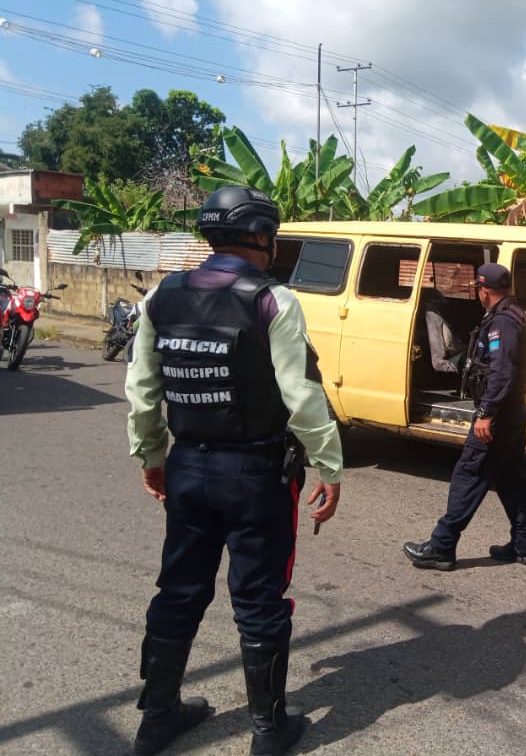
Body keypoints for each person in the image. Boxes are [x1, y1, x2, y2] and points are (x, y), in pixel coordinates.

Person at [125, 186, 343, 756]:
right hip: (256, 476)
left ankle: (157, 717)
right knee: (260, 599)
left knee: (178, 590)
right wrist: (330, 465)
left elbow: (143, 392)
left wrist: (151, 458)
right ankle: (269, 731)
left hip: (188, 469)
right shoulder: (273, 300)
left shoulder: (161, 297)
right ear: (263, 237)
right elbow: (302, 395)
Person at [403, 262, 526, 570]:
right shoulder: (514, 314)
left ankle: (442, 545)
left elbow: (502, 373)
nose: (477, 294)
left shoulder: (502, 323)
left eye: (478, 289)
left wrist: (486, 414)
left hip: (498, 416)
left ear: (484, 290)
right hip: (513, 412)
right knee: (511, 478)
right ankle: (524, 544)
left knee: (468, 475)